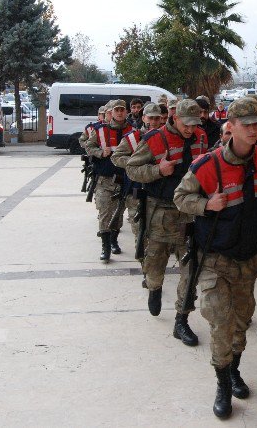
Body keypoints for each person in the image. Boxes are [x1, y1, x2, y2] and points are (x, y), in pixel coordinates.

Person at [174, 97, 257, 419]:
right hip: (214, 258)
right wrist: (207, 206)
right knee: (220, 320)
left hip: (249, 259)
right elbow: (180, 197)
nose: (253, 129)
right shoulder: (208, 165)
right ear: (230, 127)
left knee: (241, 321)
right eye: (246, 124)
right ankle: (222, 383)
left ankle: (233, 368)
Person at [126, 99, 208, 347]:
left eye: (195, 124)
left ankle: (181, 320)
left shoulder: (201, 138)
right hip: (160, 212)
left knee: (191, 269)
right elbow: (132, 169)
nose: (190, 129)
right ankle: (154, 287)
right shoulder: (154, 139)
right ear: (174, 118)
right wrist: (157, 171)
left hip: (190, 213)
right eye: (186, 123)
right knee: (154, 263)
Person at [111, 103, 164, 263]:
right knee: (140, 232)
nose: (154, 122)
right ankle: (145, 268)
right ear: (143, 118)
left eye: (157, 118)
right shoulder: (132, 138)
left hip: (158, 191)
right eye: (151, 118)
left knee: (156, 234)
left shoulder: (165, 137)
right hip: (135, 191)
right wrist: (136, 162)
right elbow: (116, 157)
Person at [84, 100, 135, 262]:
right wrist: (100, 152)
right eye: (116, 110)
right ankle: (105, 247)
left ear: (126, 112)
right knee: (105, 213)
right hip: (105, 181)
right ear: (111, 113)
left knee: (118, 215)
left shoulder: (134, 131)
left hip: (125, 180)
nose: (120, 113)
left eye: (122, 110)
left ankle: (113, 241)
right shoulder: (99, 131)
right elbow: (88, 146)